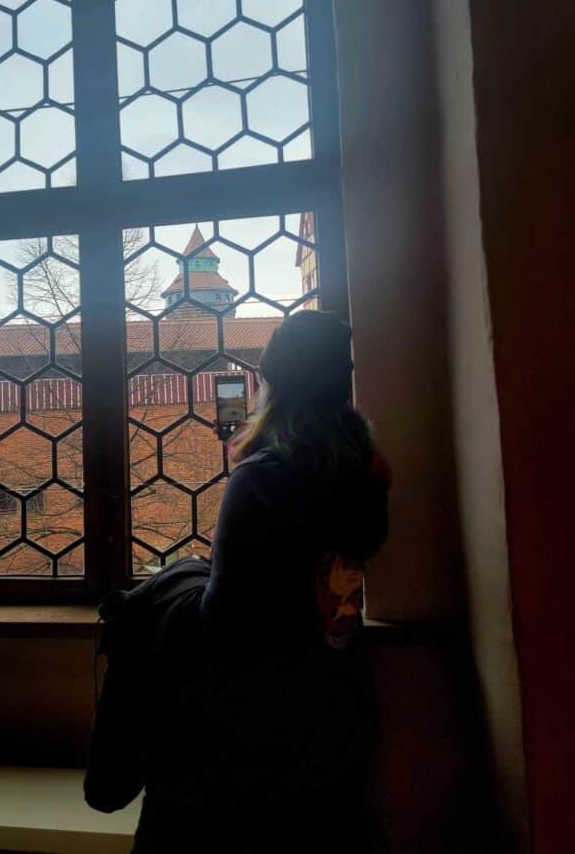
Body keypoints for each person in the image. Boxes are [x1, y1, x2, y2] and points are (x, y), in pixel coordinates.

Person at [86, 310, 390, 853]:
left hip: (238, 738)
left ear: (272, 384)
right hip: (333, 711)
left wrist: (180, 582)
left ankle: (109, 779)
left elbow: (221, 624)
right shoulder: (366, 472)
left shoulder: (264, 475)